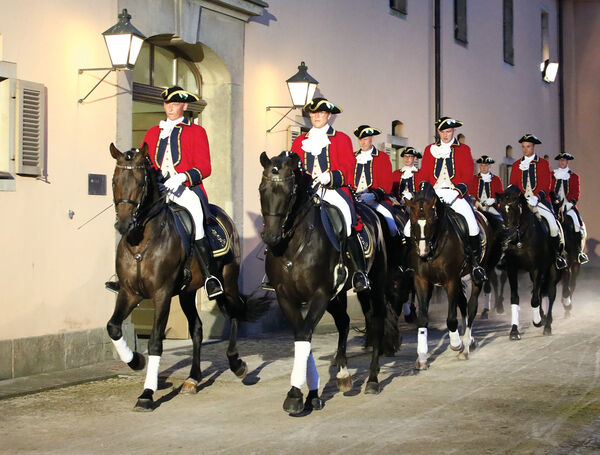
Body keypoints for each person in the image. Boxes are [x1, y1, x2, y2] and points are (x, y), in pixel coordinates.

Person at [107, 85, 223, 299]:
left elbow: (205, 167)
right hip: (158, 190)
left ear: (184, 106)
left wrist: (182, 177)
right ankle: (122, 275)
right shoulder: (152, 133)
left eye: (176, 104)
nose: (171, 108)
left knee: (197, 220)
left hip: (185, 189)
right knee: (133, 218)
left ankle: (210, 276)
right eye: (168, 104)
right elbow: (145, 162)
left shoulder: (197, 131)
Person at [290, 98, 369, 292]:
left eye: (321, 113)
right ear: (310, 115)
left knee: (347, 218)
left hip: (333, 189)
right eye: (314, 113)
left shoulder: (341, 138)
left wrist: (330, 176)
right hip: (307, 191)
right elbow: (293, 167)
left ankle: (360, 272)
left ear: (329, 116)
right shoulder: (300, 141)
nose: (317, 116)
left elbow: (349, 168)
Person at [406, 116, 487, 282]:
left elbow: (468, 175)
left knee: (472, 225)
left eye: (448, 131)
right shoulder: (430, 150)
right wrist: (422, 192)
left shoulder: (463, 149)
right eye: (443, 131)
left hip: (455, 195)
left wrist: (457, 191)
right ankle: (409, 264)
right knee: (408, 228)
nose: (445, 135)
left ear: (454, 131)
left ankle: (475, 264)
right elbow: (424, 175)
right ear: (438, 131)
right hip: (434, 196)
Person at [509, 134, 568, 270]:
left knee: (553, 226)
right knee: (509, 223)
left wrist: (537, 197)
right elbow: (514, 184)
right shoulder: (517, 164)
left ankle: (557, 255)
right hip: (522, 203)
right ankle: (507, 255)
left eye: (528, 147)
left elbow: (546, 185)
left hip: (539, 202)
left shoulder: (543, 163)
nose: (525, 149)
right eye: (523, 147)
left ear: (533, 147)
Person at [352, 125, 398, 237]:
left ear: (372, 139)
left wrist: (373, 195)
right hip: (354, 199)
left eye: (365, 139)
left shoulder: (382, 157)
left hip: (375, 200)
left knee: (391, 224)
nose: (362, 142)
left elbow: (387, 183)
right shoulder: (352, 156)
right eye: (360, 139)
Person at [551, 152, 589, 264]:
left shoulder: (574, 176)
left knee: (577, 223)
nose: (562, 162)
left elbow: (576, 193)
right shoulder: (552, 175)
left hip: (568, 205)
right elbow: (549, 191)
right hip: (554, 206)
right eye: (560, 160)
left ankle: (579, 252)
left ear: (567, 162)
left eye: (564, 160)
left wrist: (569, 204)